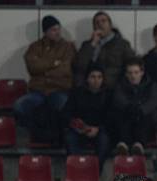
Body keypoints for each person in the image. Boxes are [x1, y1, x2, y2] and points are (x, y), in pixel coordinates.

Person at [14, 15, 75, 144]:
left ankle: (58, 139)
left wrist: (44, 71)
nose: (57, 32)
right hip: (38, 91)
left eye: (58, 29)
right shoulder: (34, 47)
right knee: (19, 106)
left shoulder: (68, 47)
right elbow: (32, 67)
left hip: (59, 89)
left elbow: (66, 69)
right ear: (45, 32)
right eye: (53, 29)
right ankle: (38, 134)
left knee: (63, 106)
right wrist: (54, 63)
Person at [62, 64, 111, 172]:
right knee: (69, 139)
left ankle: (95, 173)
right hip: (79, 130)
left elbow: (112, 117)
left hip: (99, 130)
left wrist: (98, 129)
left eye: (99, 77)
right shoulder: (77, 93)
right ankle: (76, 171)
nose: (96, 80)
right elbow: (66, 113)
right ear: (87, 79)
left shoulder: (108, 94)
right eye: (93, 77)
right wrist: (79, 126)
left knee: (104, 141)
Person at [112, 57, 157, 156]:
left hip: (145, 119)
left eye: (136, 72)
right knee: (120, 114)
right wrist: (130, 108)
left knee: (148, 116)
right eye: (130, 73)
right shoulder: (120, 85)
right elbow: (118, 99)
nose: (133, 76)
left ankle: (139, 145)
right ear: (126, 74)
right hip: (127, 117)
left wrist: (140, 110)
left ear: (142, 72)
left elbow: (153, 101)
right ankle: (123, 144)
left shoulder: (152, 85)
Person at [74, 11, 135, 89]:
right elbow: (79, 65)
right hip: (90, 87)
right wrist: (92, 44)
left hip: (113, 86)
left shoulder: (122, 44)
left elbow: (131, 65)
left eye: (103, 21)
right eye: (97, 22)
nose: (100, 24)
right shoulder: (87, 45)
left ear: (110, 25)